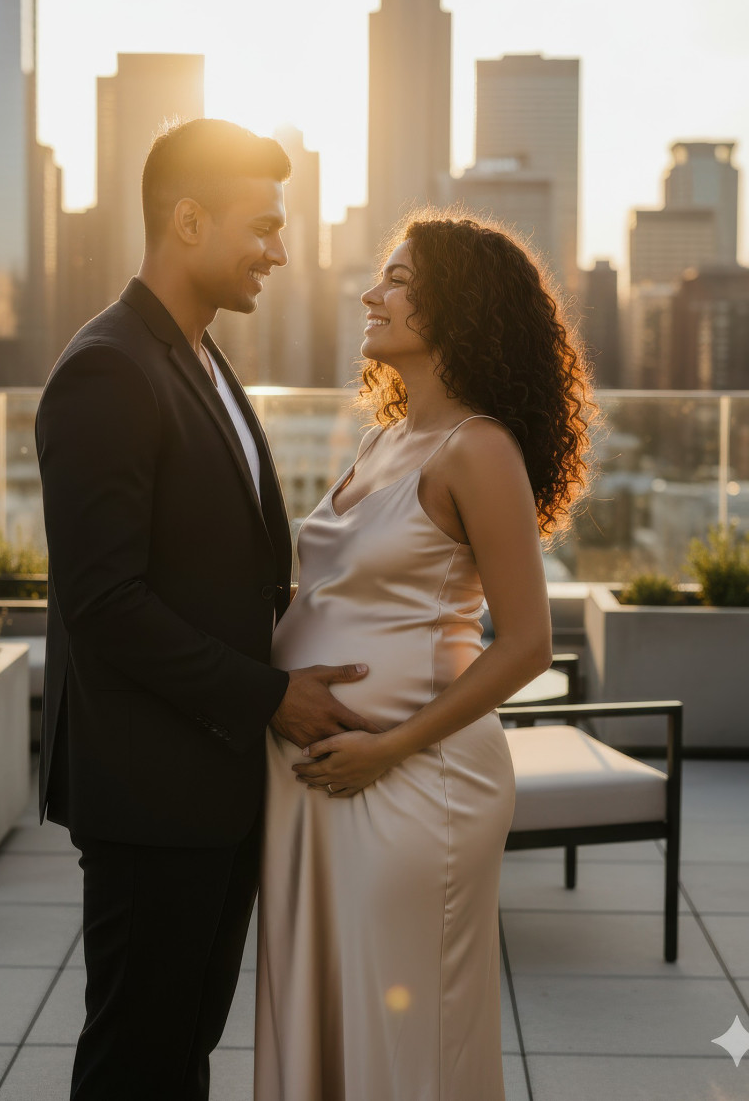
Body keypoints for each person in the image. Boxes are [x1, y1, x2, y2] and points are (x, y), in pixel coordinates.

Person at [34, 118, 375, 1101]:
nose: (279, 251)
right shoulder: (109, 368)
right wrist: (270, 697)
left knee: (179, 1052)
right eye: (262, 227)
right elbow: (105, 602)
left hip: (210, 788)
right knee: (136, 1059)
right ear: (187, 221)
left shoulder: (198, 357)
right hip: (152, 796)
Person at [255, 212, 594, 1101]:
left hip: (416, 781)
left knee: (410, 1037)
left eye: (398, 280)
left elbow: (526, 645)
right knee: (335, 1016)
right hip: (324, 775)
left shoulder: (477, 449)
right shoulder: (381, 439)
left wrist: (388, 747)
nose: (373, 293)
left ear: (460, 305)